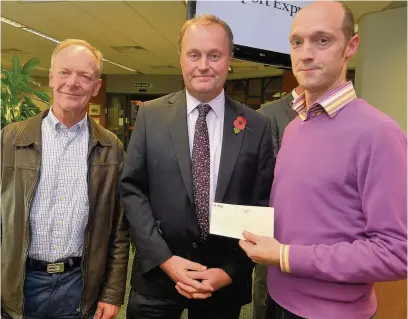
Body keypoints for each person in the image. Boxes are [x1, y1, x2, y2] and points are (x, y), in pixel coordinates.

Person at [240, 2, 407, 319]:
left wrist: (286, 256)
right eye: (296, 42)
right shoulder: (293, 128)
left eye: (322, 40)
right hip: (275, 301)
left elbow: (397, 253)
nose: (305, 54)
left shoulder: (379, 133)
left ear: (351, 46)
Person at [121, 14, 274, 319]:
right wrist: (165, 259)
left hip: (222, 281)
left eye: (214, 55)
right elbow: (132, 189)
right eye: (194, 54)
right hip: (157, 278)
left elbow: (263, 203)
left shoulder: (256, 126)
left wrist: (231, 271)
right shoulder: (151, 116)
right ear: (181, 59)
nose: (203, 65)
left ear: (229, 59)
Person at [1, 39, 130, 319]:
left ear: (96, 87)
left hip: (79, 285)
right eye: (64, 72)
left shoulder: (111, 147)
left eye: (84, 76)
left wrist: (111, 293)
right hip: (18, 283)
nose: (72, 83)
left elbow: (119, 231)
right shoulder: (10, 139)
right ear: (51, 77)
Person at [253, 85, 303, 319]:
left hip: (316, 242)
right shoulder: (269, 113)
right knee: (267, 299)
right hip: (274, 229)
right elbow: (265, 176)